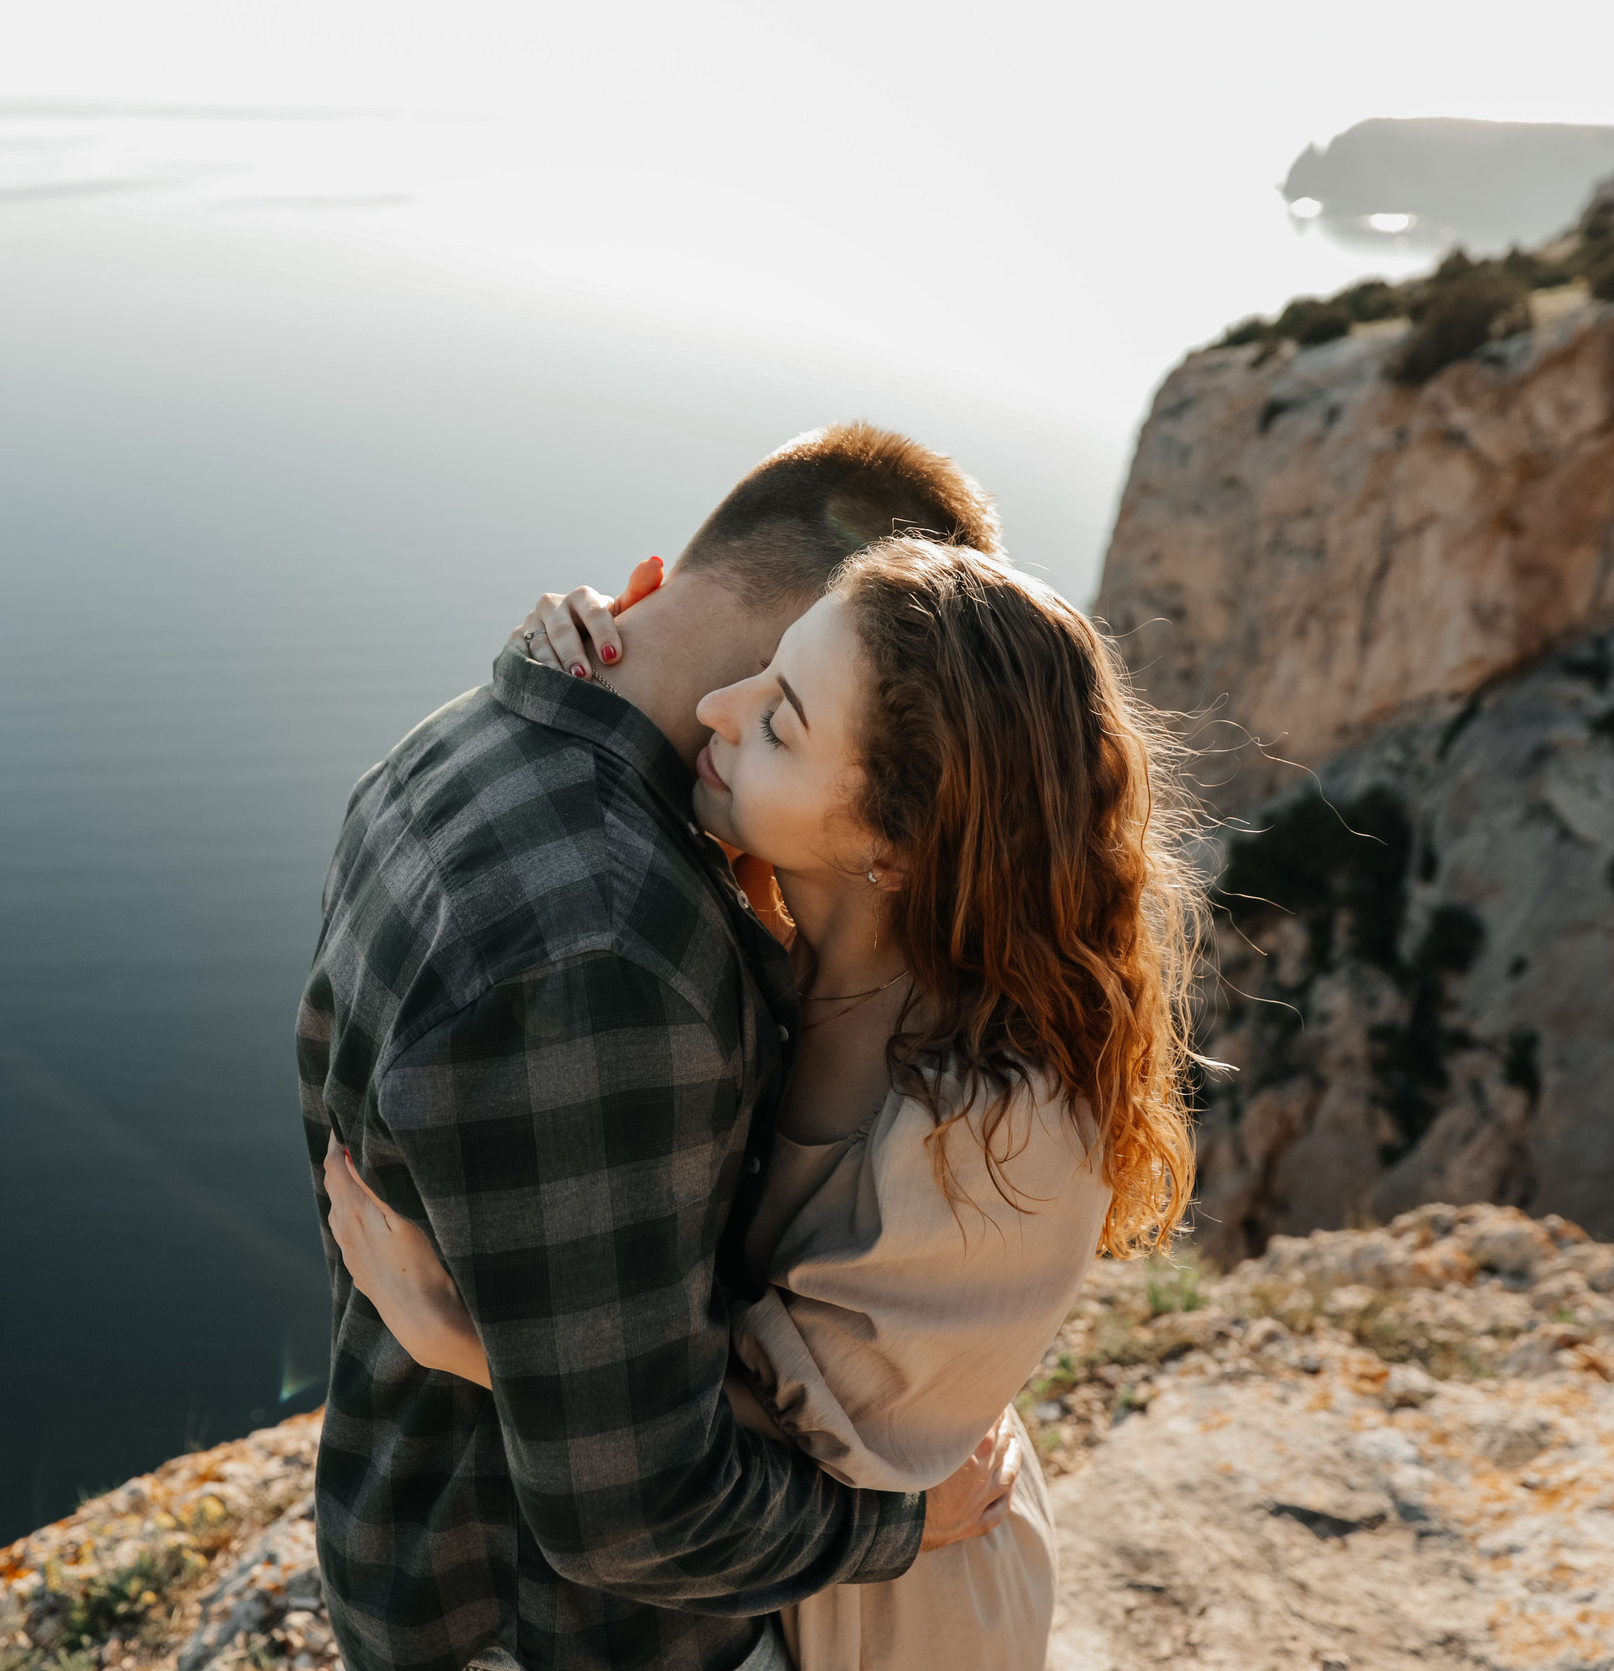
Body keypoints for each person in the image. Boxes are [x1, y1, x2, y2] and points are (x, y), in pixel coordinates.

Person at [326, 535, 1204, 1670]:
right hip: (783, 1591)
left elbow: (775, 1450)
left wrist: (476, 1344)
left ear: (892, 848)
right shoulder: (785, 932)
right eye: (765, 667)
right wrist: (572, 654)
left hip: (898, 1612)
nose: (716, 706)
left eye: (781, 718)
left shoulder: (1001, 1127)